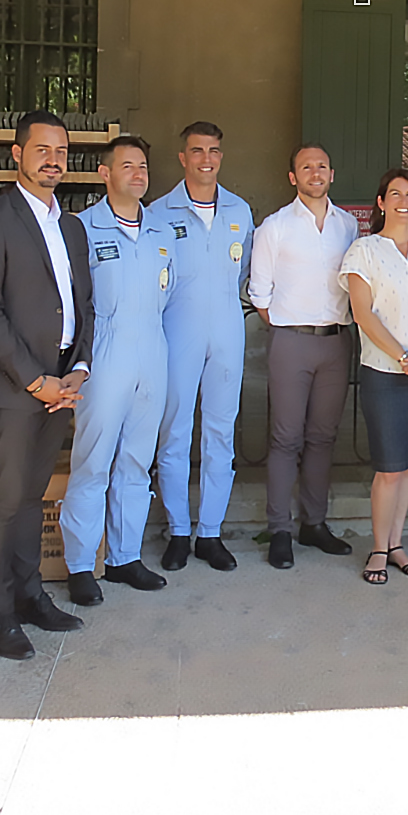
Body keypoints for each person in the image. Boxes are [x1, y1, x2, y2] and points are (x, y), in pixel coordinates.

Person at [0, 111, 93, 659]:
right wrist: (35, 379)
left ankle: (29, 596)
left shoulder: (71, 226)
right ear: (16, 154)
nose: (52, 160)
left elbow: (83, 305)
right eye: (41, 149)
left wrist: (78, 369)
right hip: (13, 389)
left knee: (30, 499)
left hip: (60, 386)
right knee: (2, 501)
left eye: (61, 151)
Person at [60, 135, 177, 606]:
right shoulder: (83, 228)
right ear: (104, 174)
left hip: (152, 348)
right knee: (93, 462)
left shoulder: (162, 231)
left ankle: (125, 557)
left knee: (135, 460)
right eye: (127, 165)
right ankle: (79, 564)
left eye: (144, 165)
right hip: (105, 351)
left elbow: (166, 296)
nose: (138, 173)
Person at [148, 122, 254, 573]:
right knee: (173, 432)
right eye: (196, 151)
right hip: (177, 331)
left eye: (213, 150)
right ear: (182, 158)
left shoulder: (240, 211)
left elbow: (245, 271)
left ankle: (209, 531)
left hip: (227, 331)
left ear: (221, 156)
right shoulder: (158, 212)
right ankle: (177, 529)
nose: (205, 159)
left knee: (220, 432)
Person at [248, 143, 359, 569]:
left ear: (332, 174)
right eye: (306, 167)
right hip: (291, 340)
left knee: (322, 437)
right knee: (285, 437)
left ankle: (314, 524)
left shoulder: (348, 226)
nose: (315, 172)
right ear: (292, 177)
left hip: (335, 340)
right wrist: (289, 324)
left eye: (322, 166)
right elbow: (260, 293)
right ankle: (279, 529)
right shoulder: (274, 227)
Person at [339, 169, 408, 585]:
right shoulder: (363, 251)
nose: (404, 201)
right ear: (381, 202)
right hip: (385, 371)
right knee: (388, 466)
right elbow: (363, 314)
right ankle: (379, 548)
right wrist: (404, 356)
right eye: (395, 194)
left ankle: (398, 544)